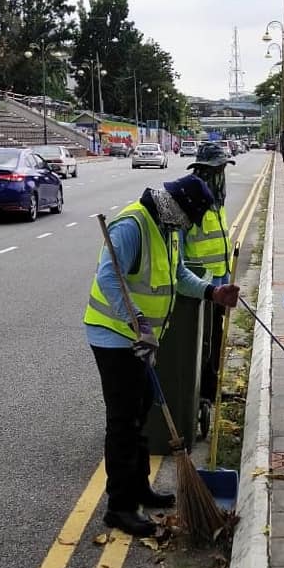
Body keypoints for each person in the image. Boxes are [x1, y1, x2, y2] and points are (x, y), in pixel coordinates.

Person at [84, 175, 240, 537]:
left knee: (140, 413)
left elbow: (177, 273)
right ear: (177, 206)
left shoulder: (167, 226)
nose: (189, 226)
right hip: (114, 335)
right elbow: (110, 279)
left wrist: (211, 292)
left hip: (142, 338)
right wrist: (136, 320)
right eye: (189, 218)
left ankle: (140, 489)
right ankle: (119, 507)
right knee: (123, 422)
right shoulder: (131, 225)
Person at [183, 141, 233, 404]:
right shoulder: (191, 202)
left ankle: (210, 390)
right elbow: (178, 249)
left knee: (215, 338)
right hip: (201, 286)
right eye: (216, 170)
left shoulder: (217, 201)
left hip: (220, 282)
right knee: (202, 342)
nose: (220, 175)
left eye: (222, 169)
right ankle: (200, 392)